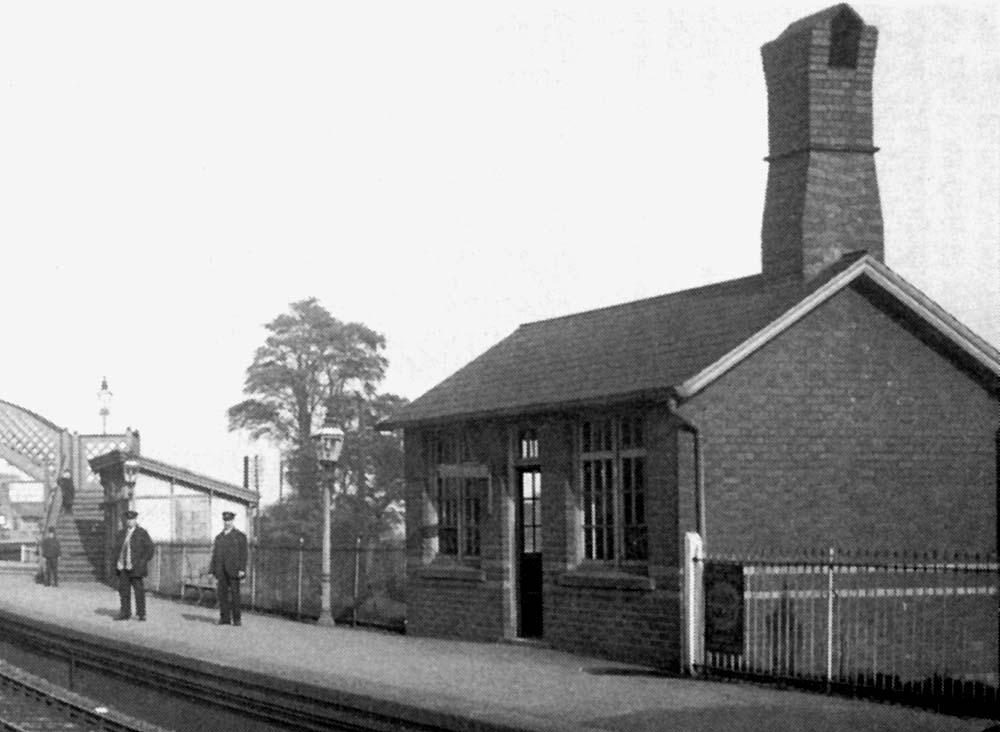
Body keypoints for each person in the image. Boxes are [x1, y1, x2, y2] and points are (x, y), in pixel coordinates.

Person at [113, 510, 154, 621]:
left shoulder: (142, 533)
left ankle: (141, 613)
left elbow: (150, 548)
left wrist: (142, 561)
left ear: (136, 520)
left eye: (132, 519)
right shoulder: (121, 533)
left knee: (139, 591)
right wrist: (117, 562)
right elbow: (116, 549)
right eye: (128, 519)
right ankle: (125, 612)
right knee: (124, 591)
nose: (130, 522)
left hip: (136, 567)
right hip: (123, 566)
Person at [209, 511, 248, 626]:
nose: (227, 523)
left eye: (229, 520)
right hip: (221, 571)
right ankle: (225, 618)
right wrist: (212, 571)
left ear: (233, 521)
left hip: (234, 570)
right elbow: (215, 555)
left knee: (235, 595)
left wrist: (242, 569)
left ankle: (237, 619)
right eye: (225, 520)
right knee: (222, 595)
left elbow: (244, 554)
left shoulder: (240, 536)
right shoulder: (219, 537)